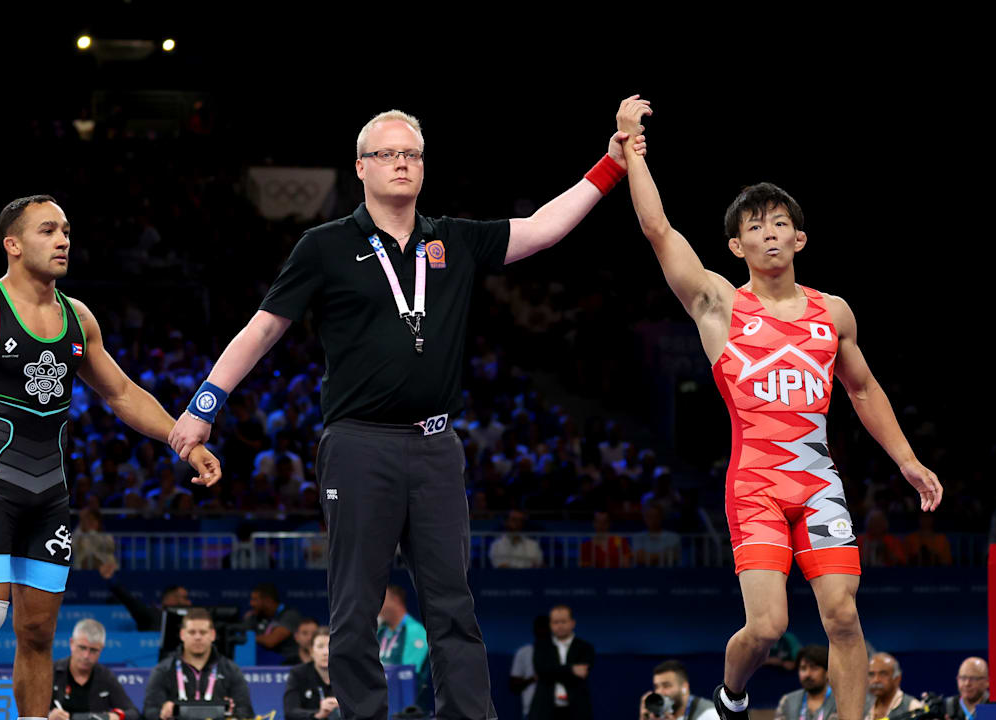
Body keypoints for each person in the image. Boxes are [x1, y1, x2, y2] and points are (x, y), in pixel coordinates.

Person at [168, 100, 650, 720]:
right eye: (388, 154)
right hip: (358, 444)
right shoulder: (325, 246)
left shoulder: (454, 238)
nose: (401, 163)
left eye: (412, 154)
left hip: (435, 447)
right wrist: (205, 403)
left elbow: (543, 228)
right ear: (361, 168)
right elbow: (263, 330)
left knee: (453, 601)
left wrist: (608, 168)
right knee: (354, 604)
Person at [619, 102, 943, 720]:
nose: (768, 232)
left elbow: (865, 390)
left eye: (779, 222)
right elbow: (659, 230)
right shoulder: (719, 306)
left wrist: (906, 459)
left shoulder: (835, 313)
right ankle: (731, 696)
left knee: (844, 614)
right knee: (767, 626)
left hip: (818, 482)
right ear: (736, 244)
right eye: (754, 225)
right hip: (756, 485)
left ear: (799, 238)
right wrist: (633, 151)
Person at [0, 195, 223, 720]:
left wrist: (184, 440)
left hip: (50, 494)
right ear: (13, 244)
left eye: (67, 232)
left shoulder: (78, 318)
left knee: (37, 633)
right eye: (48, 231)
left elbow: (121, 393)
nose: (63, 241)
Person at [143, 608, 253, 720]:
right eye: (192, 632)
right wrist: (162, 712)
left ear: (213, 635)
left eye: (203, 632)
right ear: (182, 635)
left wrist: (233, 713)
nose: (197, 637)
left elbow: (246, 711)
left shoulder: (231, 670)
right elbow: (149, 712)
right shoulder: (163, 670)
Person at [49, 619, 140, 720]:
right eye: (82, 648)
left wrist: (118, 716)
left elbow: (133, 713)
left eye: (93, 650)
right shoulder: (52, 672)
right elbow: (29, 711)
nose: (86, 656)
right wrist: (48, 716)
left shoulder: (105, 676)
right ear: (71, 643)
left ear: (101, 649)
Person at [530, 605, 594, 720]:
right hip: (545, 710)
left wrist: (552, 671)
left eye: (563, 621)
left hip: (576, 710)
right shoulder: (541, 646)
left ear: (572, 623)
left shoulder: (585, 647)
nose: (559, 625)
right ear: (550, 624)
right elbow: (542, 670)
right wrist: (571, 669)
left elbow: (582, 672)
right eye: (555, 622)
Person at [98, 560, 190, 632]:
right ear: (170, 599)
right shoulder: (151, 615)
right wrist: (111, 580)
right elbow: (130, 601)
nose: (189, 603)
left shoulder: (189, 622)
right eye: (184, 598)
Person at [284, 626, 338, 720]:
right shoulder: (298, 674)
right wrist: (318, 714)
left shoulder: (346, 675)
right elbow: (290, 712)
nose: (325, 652)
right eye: (320, 646)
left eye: (330, 646)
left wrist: (342, 705)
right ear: (311, 651)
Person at [773, 645, 837, 720]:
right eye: (803, 668)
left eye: (814, 668)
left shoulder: (839, 702)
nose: (807, 674)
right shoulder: (787, 701)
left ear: (827, 672)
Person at [640, 660, 718, 720]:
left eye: (666, 686)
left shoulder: (709, 714)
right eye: (656, 687)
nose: (659, 692)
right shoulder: (659, 714)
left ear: (684, 687)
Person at [247, 582, 303, 660]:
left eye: (255, 600)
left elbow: (271, 641)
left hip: (288, 664)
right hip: (264, 663)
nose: (251, 603)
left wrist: (248, 637)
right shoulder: (257, 617)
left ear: (268, 601)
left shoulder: (289, 615)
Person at [509, 616, 549, 719]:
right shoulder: (523, 653)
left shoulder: (560, 654)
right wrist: (533, 678)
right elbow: (514, 686)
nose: (543, 632)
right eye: (540, 628)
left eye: (546, 628)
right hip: (530, 712)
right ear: (535, 630)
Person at [865, 653, 923, 720]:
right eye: (871, 674)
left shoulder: (913, 708)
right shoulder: (865, 708)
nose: (876, 680)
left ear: (897, 678)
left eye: (883, 674)